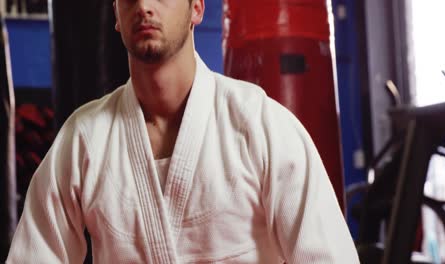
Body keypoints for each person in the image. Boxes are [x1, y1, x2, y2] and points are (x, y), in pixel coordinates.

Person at [7, 0, 359, 263]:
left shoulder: (260, 125)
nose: (143, 6)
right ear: (115, 14)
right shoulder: (84, 139)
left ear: (196, 8)